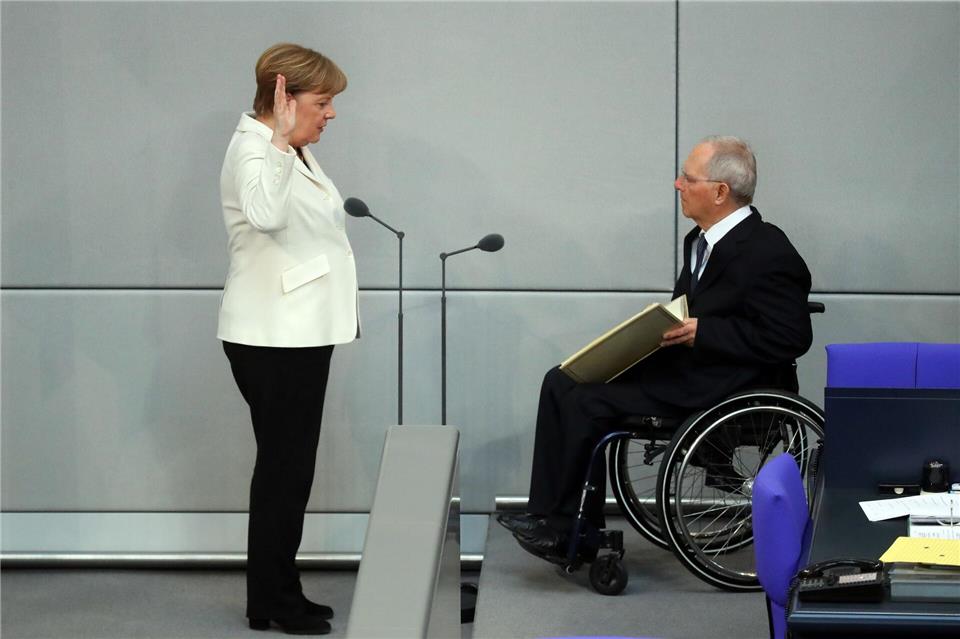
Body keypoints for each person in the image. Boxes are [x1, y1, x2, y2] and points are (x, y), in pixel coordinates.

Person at [499, 136, 813, 563]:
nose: (677, 185)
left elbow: (792, 337)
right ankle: (549, 516)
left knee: (588, 404)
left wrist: (706, 332)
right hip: (688, 365)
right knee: (561, 380)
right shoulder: (698, 240)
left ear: (720, 192)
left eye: (688, 178)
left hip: (724, 382)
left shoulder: (767, 249)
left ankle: (574, 532)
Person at [218, 43, 358, 635]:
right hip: (273, 338)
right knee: (283, 469)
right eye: (322, 102)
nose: (330, 113)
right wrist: (278, 138)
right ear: (283, 96)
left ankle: (273, 593)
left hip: (297, 333)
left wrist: (286, 141)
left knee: (288, 469)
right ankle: (276, 597)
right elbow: (267, 216)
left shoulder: (290, 150)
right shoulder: (257, 148)